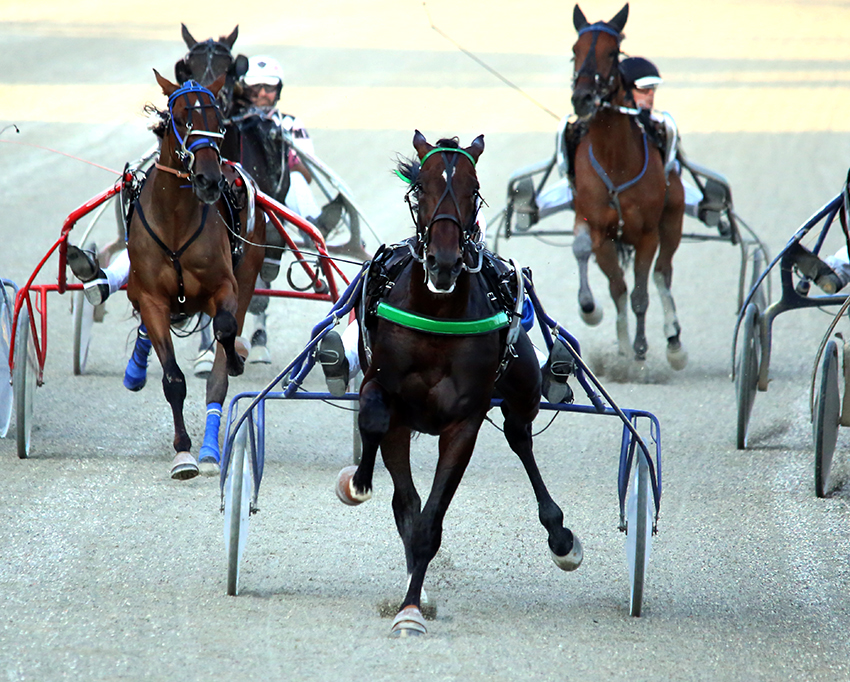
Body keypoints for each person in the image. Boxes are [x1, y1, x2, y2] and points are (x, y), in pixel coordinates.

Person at [66, 54, 341, 370]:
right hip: (199, 182)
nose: (264, 93)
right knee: (151, 226)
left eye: (271, 88)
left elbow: (307, 168)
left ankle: (310, 226)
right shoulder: (207, 109)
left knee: (295, 183)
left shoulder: (286, 123)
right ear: (244, 89)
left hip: (262, 190)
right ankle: (109, 279)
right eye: (258, 87)